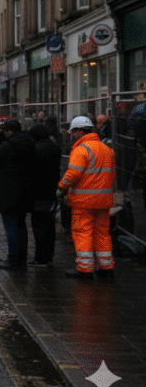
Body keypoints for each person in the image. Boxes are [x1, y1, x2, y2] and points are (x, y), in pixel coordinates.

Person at [58, 116, 116, 279]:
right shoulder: (107, 149)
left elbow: (72, 174)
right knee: (102, 234)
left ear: (80, 132)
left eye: (73, 132)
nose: (71, 135)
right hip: (104, 201)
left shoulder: (81, 150)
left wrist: (61, 188)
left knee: (83, 233)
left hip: (83, 202)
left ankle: (85, 269)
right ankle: (106, 268)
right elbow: (112, 175)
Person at [0, 119, 36, 270]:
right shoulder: (29, 143)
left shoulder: (8, 146)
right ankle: (21, 260)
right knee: (21, 226)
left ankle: (12, 260)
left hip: (9, 193)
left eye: (4, 132)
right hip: (25, 191)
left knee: (11, 227)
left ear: (10, 132)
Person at [29, 124, 61, 266]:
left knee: (39, 225)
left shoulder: (36, 149)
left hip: (39, 192)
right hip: (52, 190)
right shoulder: (55, 148)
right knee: (49, 224)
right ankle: (49, 255)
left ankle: (40, 257)